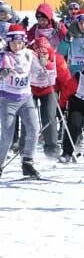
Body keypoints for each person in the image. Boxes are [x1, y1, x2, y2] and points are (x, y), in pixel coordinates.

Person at [0, 25, 40, 179]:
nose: (16, 46)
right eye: (13, 42)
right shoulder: (3, 56)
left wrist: (45, 61)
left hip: (26, 98)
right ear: (8, 42)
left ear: (23, 42)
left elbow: (45, 67)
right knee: (7, 137)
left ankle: (28, 162)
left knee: (34, 129)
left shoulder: (29, 54)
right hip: (7, 99)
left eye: (19, 42)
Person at [29, 37, 72, 158]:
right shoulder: (29, 58)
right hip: (30, 89)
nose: (42, 56)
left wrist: (66, 100)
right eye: (39, 53)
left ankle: (52, 149)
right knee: (29, 117)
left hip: (49, 89)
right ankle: (25, 148)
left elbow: (66, 81)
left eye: (45, 53)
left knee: (49, 116)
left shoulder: (57, 59)